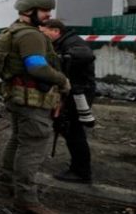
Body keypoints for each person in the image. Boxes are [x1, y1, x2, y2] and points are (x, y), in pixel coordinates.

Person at [0, 0, 71, 214]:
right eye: (44, 10)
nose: (48, 15)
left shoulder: (13, 31)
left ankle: (4, 186)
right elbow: (36, 67)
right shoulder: (30, 36)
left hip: (17, 97)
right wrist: (62, 81)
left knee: (17, 140)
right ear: (29, 11)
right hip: (32, 101)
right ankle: (26, 199)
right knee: (33, 147)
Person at [40, 19, 96, 184]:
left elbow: (86, 54)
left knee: (73, 130)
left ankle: (81, 172)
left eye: (44, 32)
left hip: (79, 93)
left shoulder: (72, 43)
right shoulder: (63, 41)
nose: (43, 36)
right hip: (72, 92)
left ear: (56, 31)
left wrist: (60, 59)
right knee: (66, 128)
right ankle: (79, 166)